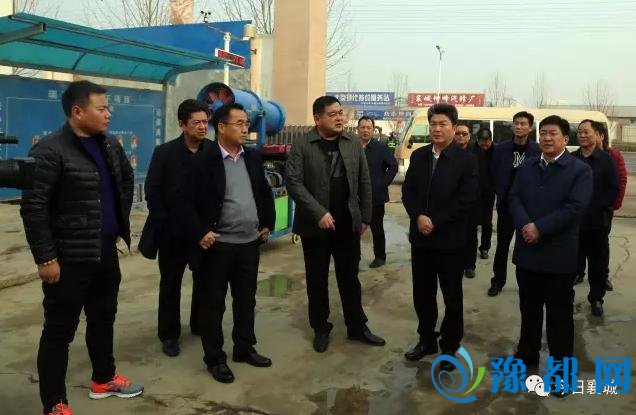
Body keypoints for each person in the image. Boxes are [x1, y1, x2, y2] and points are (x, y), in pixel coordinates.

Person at [20, 80, 143, 415]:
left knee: (103, 318)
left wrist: (116, 224)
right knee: (59, 331)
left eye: (108, 108)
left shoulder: (109, 145)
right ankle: (54, 403)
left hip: (104, 253)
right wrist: (46, 256)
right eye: (101, 108)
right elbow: (34, 207)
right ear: (77, 111)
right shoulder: (50, 150)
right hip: (68, 258)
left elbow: (126, 180)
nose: (108, 114)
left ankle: (104, 379)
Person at [178, 103, 275, 384]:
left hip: (249, 243)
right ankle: (215, 358)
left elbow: (263, 192)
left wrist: (266, 222)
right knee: (213, 304)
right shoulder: (202, 160)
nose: (246, 128)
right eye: (239, 123)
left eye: (247, 123)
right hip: (218, 246)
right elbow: (182, 202)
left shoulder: (252, 157)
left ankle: (244, 348)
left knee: (246, 300)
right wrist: (200, 232)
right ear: (221, 127)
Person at [286, 95, 385, 353]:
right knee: (317, 279)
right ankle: (321, 328)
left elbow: (364, 180)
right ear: (317, 118)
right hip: (315, 226)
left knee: (350, 277)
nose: (340, 118)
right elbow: (293, 182)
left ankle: (357, 326)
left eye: (341, 113)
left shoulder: (352, 143)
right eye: (333, 114)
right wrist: (318, 212)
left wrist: (365, 216)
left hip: (347, 223)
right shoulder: (302, 144)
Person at [508, 115, 592, 397]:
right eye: (543, 133)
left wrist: (540, 228)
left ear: (565, 139)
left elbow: (575, 207)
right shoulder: (528, 166)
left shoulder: (579, 171)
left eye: (553, 133)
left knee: (559, 318)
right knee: (529, 311)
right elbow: (514, 197)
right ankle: (527, 355)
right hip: (527, 253)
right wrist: (525, 225)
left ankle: (561, 374)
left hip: (558, 256)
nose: (546, 138)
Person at [402, 103, 478, 371]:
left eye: (442, 124)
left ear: (454, 127)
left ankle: (449, 347)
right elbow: (408, 192)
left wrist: (436, 221)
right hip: (421, 240)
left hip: (450, 241)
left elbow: (466, 200)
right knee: (422, 295)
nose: (436, 129)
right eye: (433, 124)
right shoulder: (420, 156)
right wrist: (418, 216)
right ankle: (426, 340)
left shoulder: (466, 160)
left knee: (452, 298)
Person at [141, 99, 211, 357]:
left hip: (204, 233)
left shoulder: (212, 152)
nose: (202, 127)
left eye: (205, 122)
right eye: (196, 122)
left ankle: (199, 323)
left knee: (204, 280)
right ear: (182, 125)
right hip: (172, 233)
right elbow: (152, 191)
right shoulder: (165, 153)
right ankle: (169, 335)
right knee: (171, 284)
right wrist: (164, 223)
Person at [488, 111, 540, 296]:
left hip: (528, 207)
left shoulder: (537, 150)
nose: (519, 126)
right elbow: (493, 173)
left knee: (527, 245)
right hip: (506, 206)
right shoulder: (501, 149)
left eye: (523, 123)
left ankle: (527, 283)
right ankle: (498, 281)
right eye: (516, 123)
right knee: (502, 246)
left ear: (530, 127)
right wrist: (501, 192)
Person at [572, 120, 618, 316]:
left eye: (586, 132)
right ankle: (567, 297)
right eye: (580, 132)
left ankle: (596, 298)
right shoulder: (572, 159)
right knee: (572, 262)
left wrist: (599, 207)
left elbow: (613, 188)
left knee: (597, 264)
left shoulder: (606, 160)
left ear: (597, 134)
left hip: (597, 221)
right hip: (574, 222)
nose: (582, 135)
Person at [357, 115, 398, 268]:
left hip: (376, 197)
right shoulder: (353, 147)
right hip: (355, 197)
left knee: (377, 228)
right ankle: (354, 257)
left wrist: (383, 183)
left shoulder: (381, 148)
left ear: (373, 130)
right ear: (358, 129)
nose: (365, 130)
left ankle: (380, 257)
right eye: (363, 127)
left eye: (369, 128)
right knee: (354, 229)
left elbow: (393, 166)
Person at [454, 123, 479, 278]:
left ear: (469, 136)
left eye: (464, 134)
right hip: (452, 203)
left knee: (470, 236)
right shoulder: (448, 153)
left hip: (472, 203)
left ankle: (469, 265)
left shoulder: (476, 154)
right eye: (458, 133)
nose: (461, 136)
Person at [474, 129, 496, 260]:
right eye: (482, 141)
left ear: (491, 140)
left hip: (489, 192)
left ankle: (484, 248)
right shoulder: (472, 150)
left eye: (487, 141)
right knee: (472, 222)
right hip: (473, 192)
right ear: (477, 140)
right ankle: (471, 251)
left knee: (487, 222)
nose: (485, 144)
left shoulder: (496, 151)